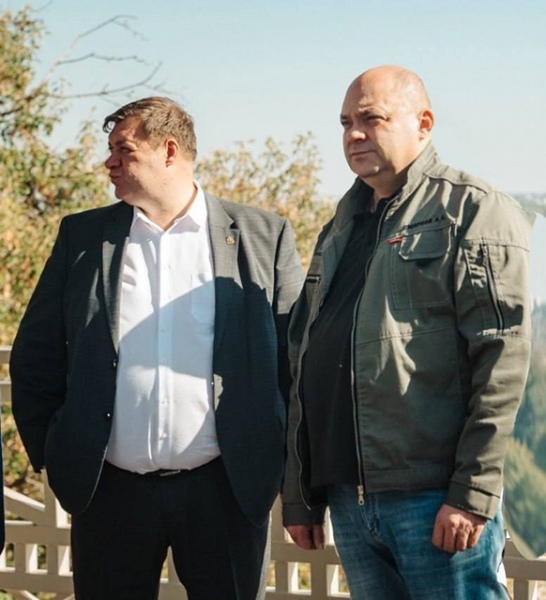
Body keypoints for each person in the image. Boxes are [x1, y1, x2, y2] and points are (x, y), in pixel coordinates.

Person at [10, 96, 303, 600]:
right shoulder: (82, 237)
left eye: (123, 150)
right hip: (109, 492)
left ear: (169, 151)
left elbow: (293, 363)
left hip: (226, 490)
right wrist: (55, 450)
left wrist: (280, 465)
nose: (109, 162)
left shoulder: (264, 235)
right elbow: (36, 355)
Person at [281, 65, 533, 599]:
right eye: (346, 123)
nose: (354, 134)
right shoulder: (340, 224)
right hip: (349, 498)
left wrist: (471, 492)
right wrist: (301, 494)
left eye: (371, 119)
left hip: (435, 497)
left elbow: (503, 359)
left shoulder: (472, 209)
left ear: (424, 123)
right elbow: (305, 355)